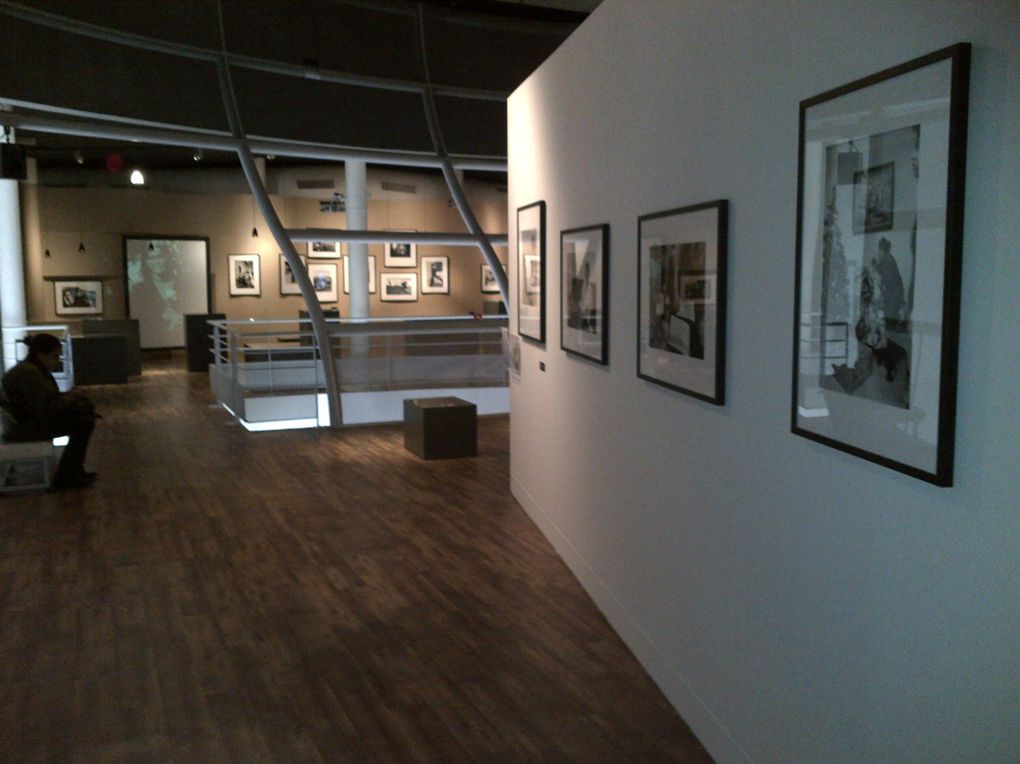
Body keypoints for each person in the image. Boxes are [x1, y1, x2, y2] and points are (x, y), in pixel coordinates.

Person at [1, 333, 98, 488]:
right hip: (27, 428)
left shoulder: (30, 370)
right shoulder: (29, 374)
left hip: (27, 423)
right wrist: (72, 398)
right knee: (83, 422)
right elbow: (44, 409)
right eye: (54, 356)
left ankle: (72, 471)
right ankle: (68, 474)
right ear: (40, 355)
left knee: (83, 417)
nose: (57, 361)